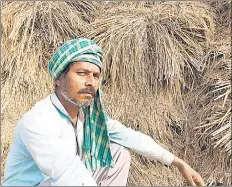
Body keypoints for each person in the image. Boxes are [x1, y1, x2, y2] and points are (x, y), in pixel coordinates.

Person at [2, 38, 206, 186]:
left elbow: (130, 136)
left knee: (117, 152)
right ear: (59, 78)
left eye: (96, 75)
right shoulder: (39, 121)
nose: (91, 82)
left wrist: (177, 162)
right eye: (81, 73)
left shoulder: (88, 118)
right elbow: (68, 174)